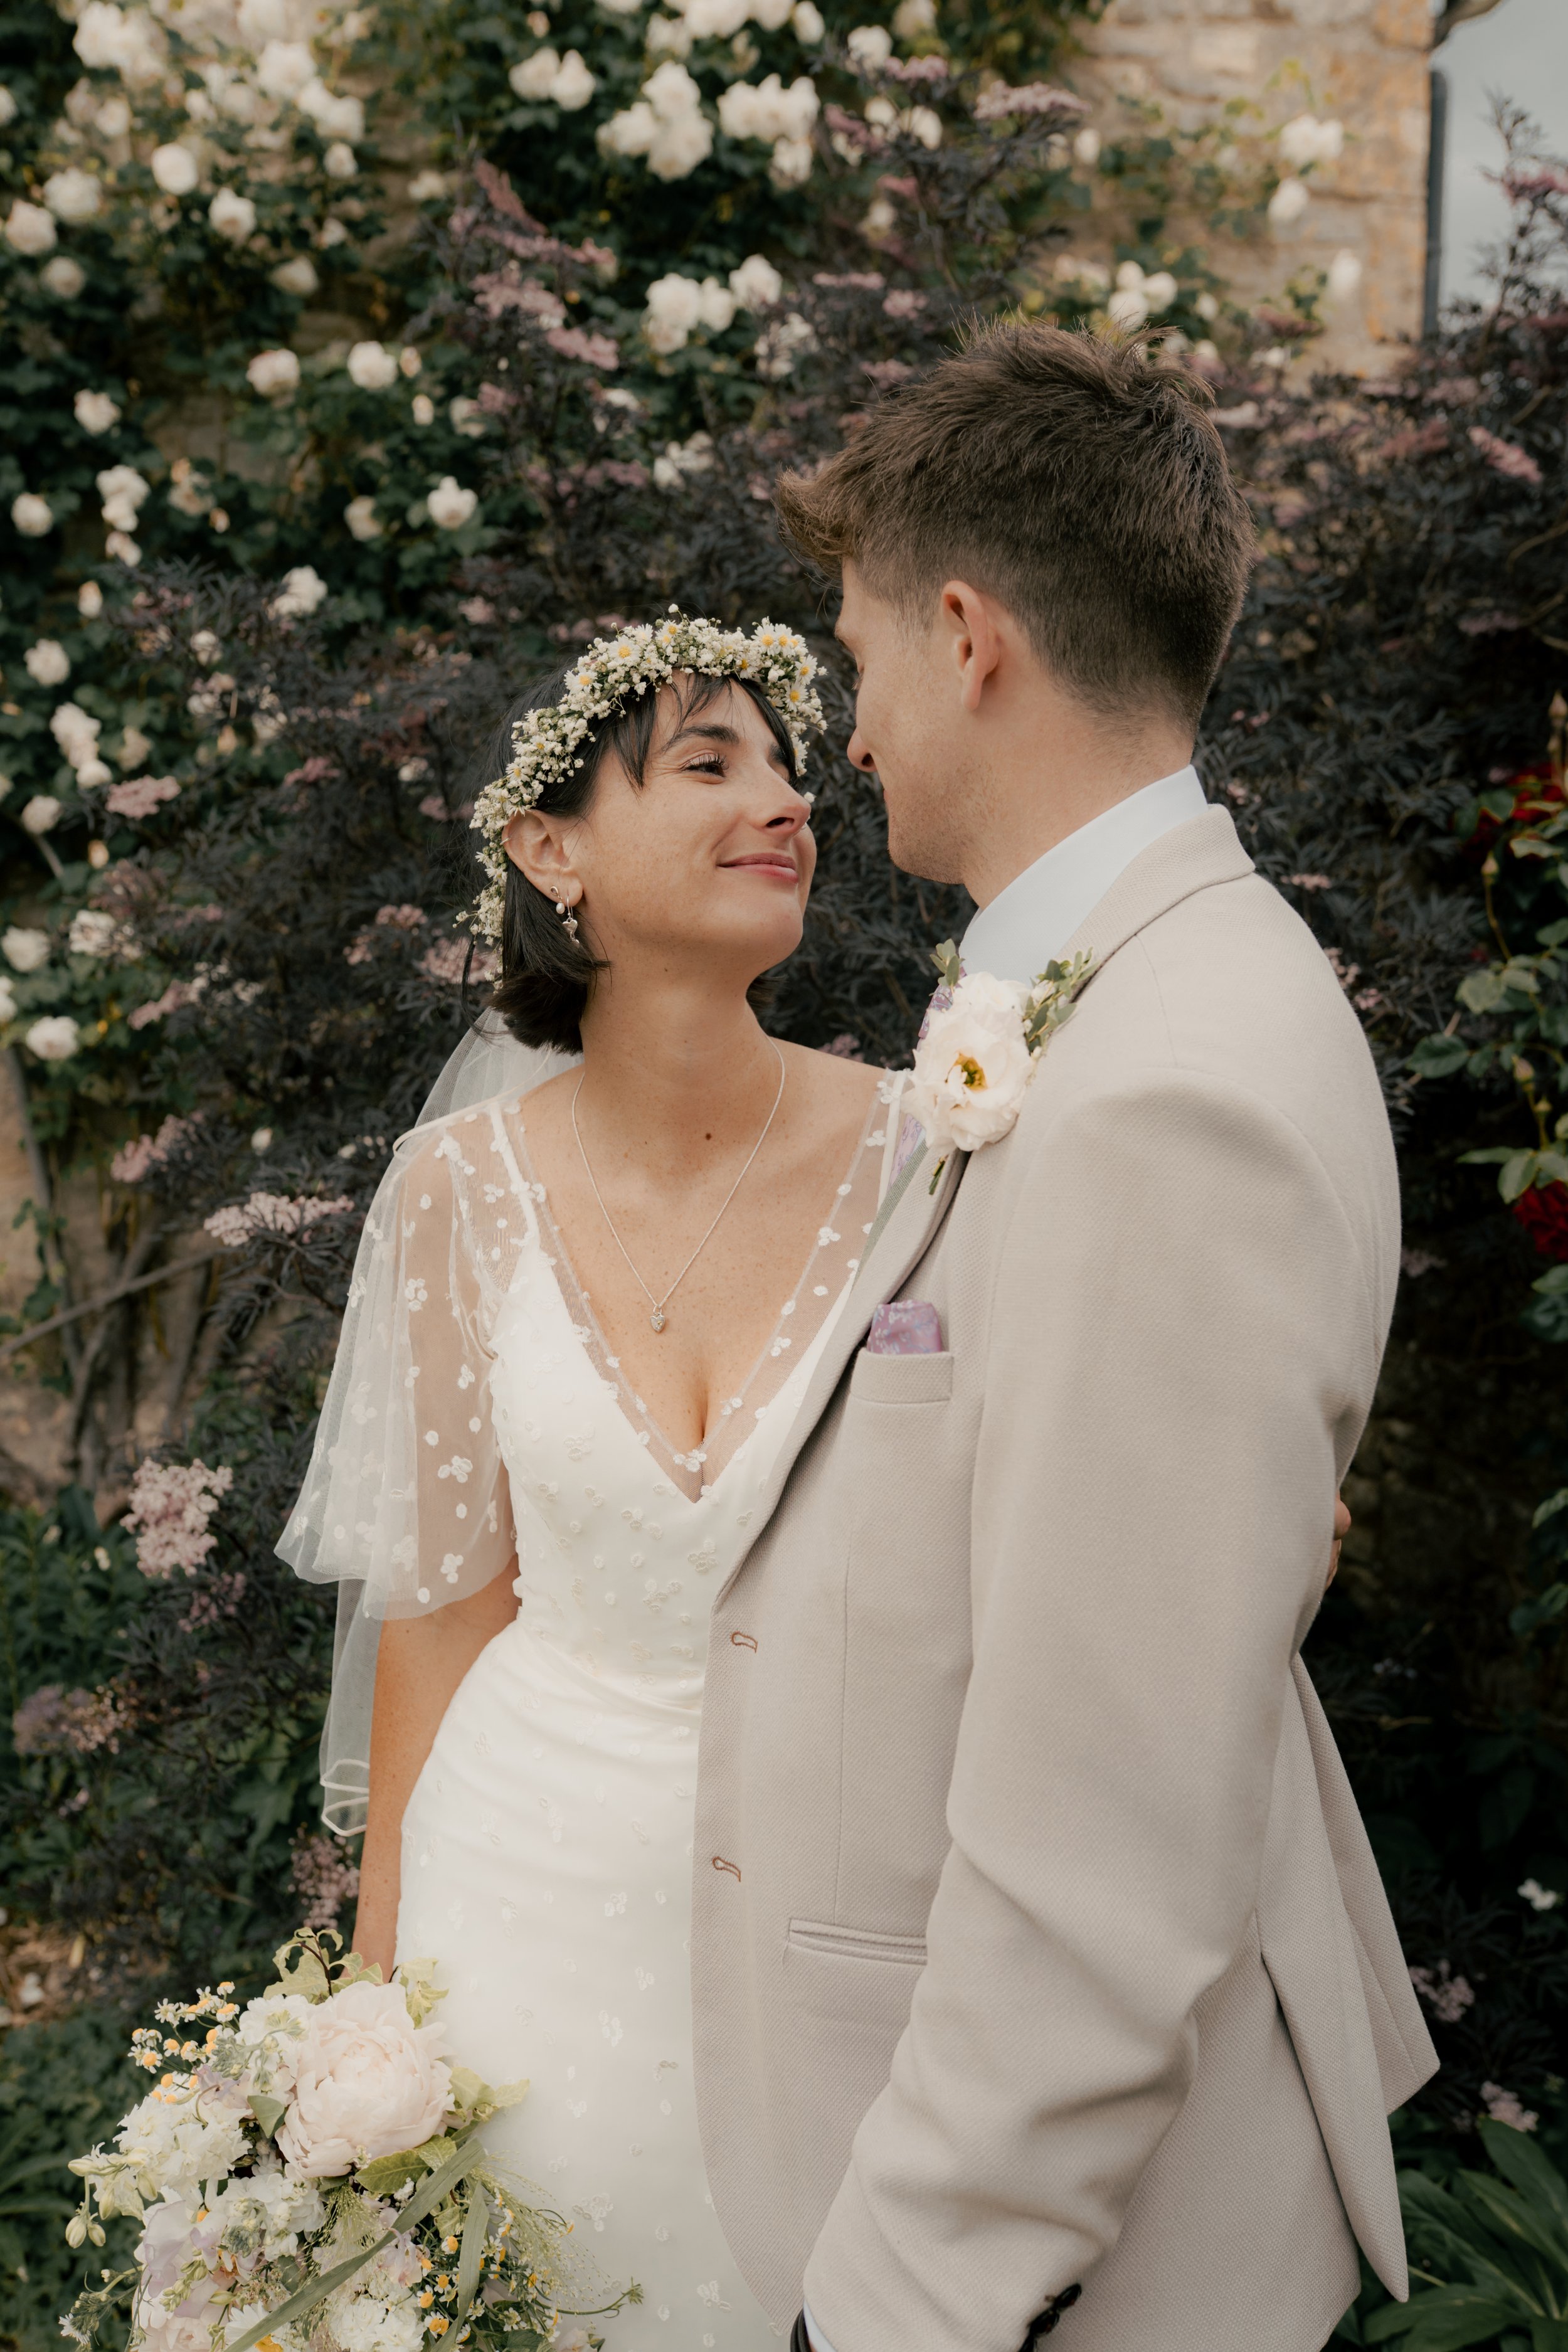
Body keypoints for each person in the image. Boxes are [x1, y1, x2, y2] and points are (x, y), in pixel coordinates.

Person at [684, 324, 1438, 2352]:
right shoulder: (1109, 997)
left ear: (962, 636)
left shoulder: (1170, 1084)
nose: (842, 737)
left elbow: (1105, 1831)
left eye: (850, 662)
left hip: (1062, 2267)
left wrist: (915, 2295)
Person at [280, 615, 889, 2346]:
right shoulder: (455, 1192)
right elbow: (443, 1610)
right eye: (708, 762)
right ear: (551, 850)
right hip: (520, 1900)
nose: (783, 800)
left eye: (788, 769)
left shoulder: (935, 1154)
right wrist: (376, 2018)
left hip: (836, 1919)